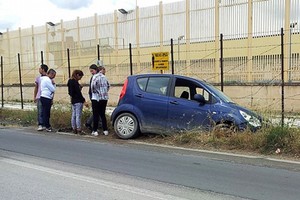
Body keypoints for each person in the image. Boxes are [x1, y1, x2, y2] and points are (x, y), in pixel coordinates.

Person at [67, 70, 87, 135]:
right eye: (80, 77)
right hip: (78, 100)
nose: (80, 78)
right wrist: (83, 100)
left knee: (73, 115)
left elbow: (71, 92)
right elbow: (78, 92)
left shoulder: (70, 81)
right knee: (78, 115)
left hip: (73, 100)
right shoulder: (75, 82)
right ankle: (79, 129)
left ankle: (74, 128)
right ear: (77, 75)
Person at [34, 64, 48, 131]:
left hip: (46, 96)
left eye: (40, 68)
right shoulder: (38, 78)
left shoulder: (48, 78)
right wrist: (35, 96)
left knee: (46, 111)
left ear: (43, 69)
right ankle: (40, 124)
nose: (39, 70)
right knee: (40, 111)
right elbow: (36, 87)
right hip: (39, 96)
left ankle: (45, 124)